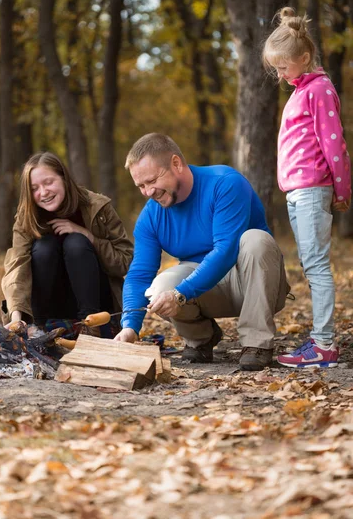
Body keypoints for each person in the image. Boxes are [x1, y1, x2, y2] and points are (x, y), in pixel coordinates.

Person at [114, 133, 290, 371]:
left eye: (151, 181)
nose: (147, 192)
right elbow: (139, 274)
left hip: (251, 281)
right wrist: (129, 327)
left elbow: (226, 250)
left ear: (176, 164)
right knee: (157, 288)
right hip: (206, 289)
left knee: (255, 240)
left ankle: (257, 343)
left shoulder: (225, 182)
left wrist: (180, 294)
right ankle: (201, 338)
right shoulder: (150, 216)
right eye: (141, 186)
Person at [262, 7, 351, 368]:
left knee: (316, 265)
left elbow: (334, 144)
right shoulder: (301, 91)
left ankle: (325, 345)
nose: (280, 74)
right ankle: (320, 338)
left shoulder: (320, 90)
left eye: (284, 66)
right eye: (276, 69)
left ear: (304, 57)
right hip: (298, 192)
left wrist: (342, 190)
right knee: (310, 263)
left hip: (314, 189)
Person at [2, 152, 133, 338]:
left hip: (96, 303)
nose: (43, 192)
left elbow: (125, 261)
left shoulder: (98, 207)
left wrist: (88, 235)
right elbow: (17, 266)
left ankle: (91, 329)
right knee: (44, 247)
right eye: (34, 188)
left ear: (64, 178)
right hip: (48, 307)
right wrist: (16, 317)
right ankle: (38, 329)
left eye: (48, 182)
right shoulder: (26, 218)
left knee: (76, 242)